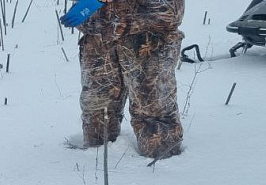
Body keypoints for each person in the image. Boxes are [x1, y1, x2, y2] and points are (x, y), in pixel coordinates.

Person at [60, 0, 186, 159]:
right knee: (97, 112)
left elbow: (169, 13)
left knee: (154, 117)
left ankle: (162, 174)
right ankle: (95, 170)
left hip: (147, 34)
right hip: (97, 32)